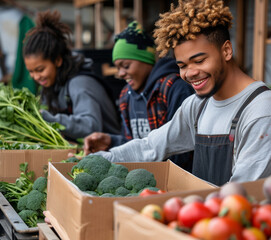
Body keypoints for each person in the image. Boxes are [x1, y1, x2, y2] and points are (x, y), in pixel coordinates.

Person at [92, 0, 271, 186]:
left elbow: (243, 193)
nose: (190, 73)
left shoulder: (262, 110)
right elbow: (150, 147)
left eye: (199, 61)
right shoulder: (197, 105)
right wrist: (101, 159)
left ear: (227, 51)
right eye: (182, 65)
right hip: (204, 215)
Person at [83, 21, 195, 171]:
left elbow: (180, 146)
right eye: (117, 68)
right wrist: (111, 141)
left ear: (146, 60)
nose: (121, 73)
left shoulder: (173, 88)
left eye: (126, 66)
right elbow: (134, 142)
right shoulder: (125, 97)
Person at [23, 10, 120, 141]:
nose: (36, 76)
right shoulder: (50, 85)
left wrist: (48, 119)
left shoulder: (80, 83)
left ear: (57, 60)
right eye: (31, 71)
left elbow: (91, 125)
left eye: (40, 69)